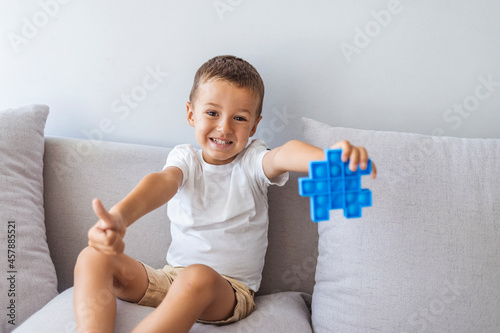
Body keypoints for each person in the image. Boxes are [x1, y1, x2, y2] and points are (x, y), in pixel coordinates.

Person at [73, 55, 377, 333]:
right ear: (191, 114)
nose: (224, 127)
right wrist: (120, 217)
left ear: (254, 126)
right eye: (212, 113)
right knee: (92, 256)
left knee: (198, 276)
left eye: (239, 118)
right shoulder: (185, 160)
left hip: (228, 292)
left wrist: (327, 159)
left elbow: (285, 154)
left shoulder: (253, 162)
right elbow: (162, 183)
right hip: (170, 280)